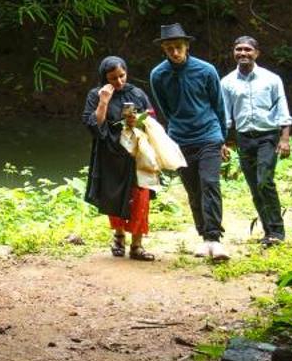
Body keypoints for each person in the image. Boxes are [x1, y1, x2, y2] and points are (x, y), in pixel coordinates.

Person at [149, 22, 231, 260]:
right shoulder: (158, 75)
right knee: (193, 190)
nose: (175, 52)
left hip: (209, 135)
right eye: (169, 48)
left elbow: (218, 105)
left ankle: (215, 238)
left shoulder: (206, 71)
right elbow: (165, 109)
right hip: (180, 140)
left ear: (187, 46)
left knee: (210, 184)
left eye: (178, 47)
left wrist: (222, 139)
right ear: (163, 49)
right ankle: (204, 237)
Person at [82, 55, 158, 260]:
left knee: (140, 197)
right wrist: (104, 101)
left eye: (122, 76)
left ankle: (137, 245)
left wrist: (137, 120)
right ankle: (118, 236)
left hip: (136, 155)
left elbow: (151, 119)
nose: (119, 82)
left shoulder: (137, 93)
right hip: (110, 156)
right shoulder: (95, 95)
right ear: (104, 77)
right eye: (113, 78)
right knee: (114, 196)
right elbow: (93, 125)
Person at [222, 34, 292, 247]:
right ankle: (268, 231)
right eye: (239, 49)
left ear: (256, 53)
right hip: (244, 139)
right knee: (254, 185)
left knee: (264, 181)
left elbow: (282, 108)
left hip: (267, 137)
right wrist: (222, 142)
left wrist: (285, 138)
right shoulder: (226, 83)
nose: (243, 53)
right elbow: (225, 115)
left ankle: (277, 231)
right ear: (234, 53)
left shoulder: (271, 79)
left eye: (247, 50)